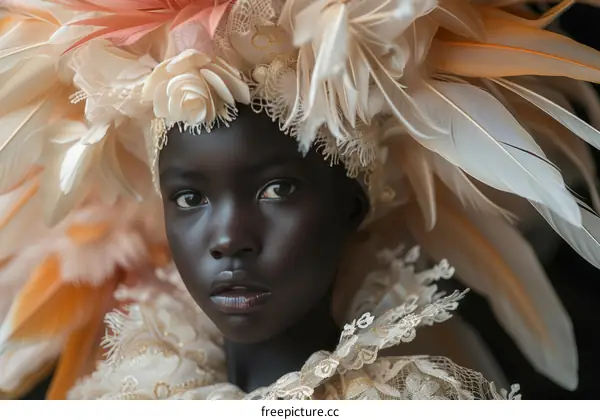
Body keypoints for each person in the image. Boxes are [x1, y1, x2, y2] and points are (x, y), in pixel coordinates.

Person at [1, 0, 600, 400]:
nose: (229, 238)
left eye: (277, 189)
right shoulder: (124, 391)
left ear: (351, 208)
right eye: (188, 197)